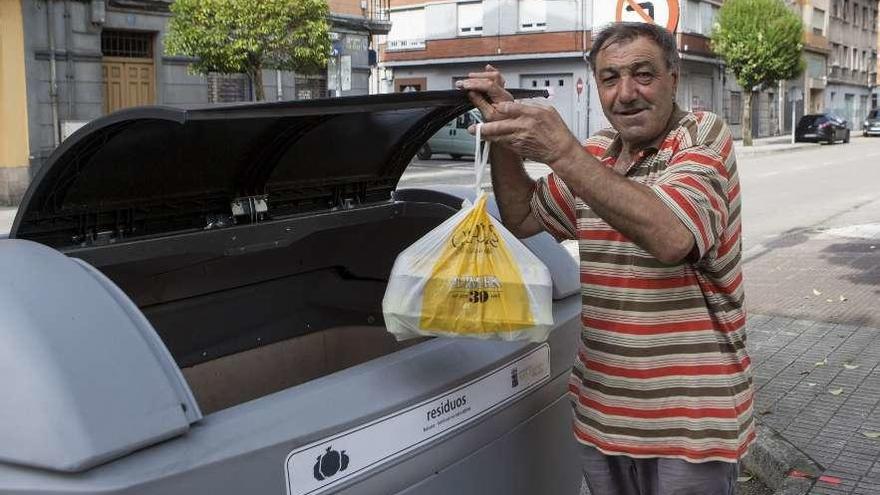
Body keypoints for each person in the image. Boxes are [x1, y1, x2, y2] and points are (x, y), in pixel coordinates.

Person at [456, 22, 753, 495]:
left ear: (673, 78)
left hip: (690, 425)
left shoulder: (702, 136)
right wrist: (504, 132)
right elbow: (522, 216)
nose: (626, 92)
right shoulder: (597, 153)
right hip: (602, 416)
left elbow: (673, 236)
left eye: (643, 74)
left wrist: (562, 152)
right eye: (610, 78)